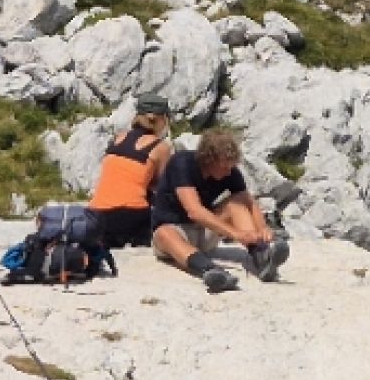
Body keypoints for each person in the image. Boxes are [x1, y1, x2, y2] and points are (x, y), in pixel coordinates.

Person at [151, 129, 289, 293]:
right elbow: (194, 211)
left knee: (236, 204)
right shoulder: (182, 163)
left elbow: (248, 200)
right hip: (175, 231)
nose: (228, 171)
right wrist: (236, 234)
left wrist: (262, 228)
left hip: (203, 232)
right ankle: (211, 272)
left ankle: (261, 256)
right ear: (208, 159)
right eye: (224, 166)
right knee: (164, 233)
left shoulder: (229, 172)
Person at [87, 93, 174, 247]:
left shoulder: (119, 138)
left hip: (95, 214)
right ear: (162, 119)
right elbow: (163, 187)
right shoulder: (161, 147)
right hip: (129, 215)